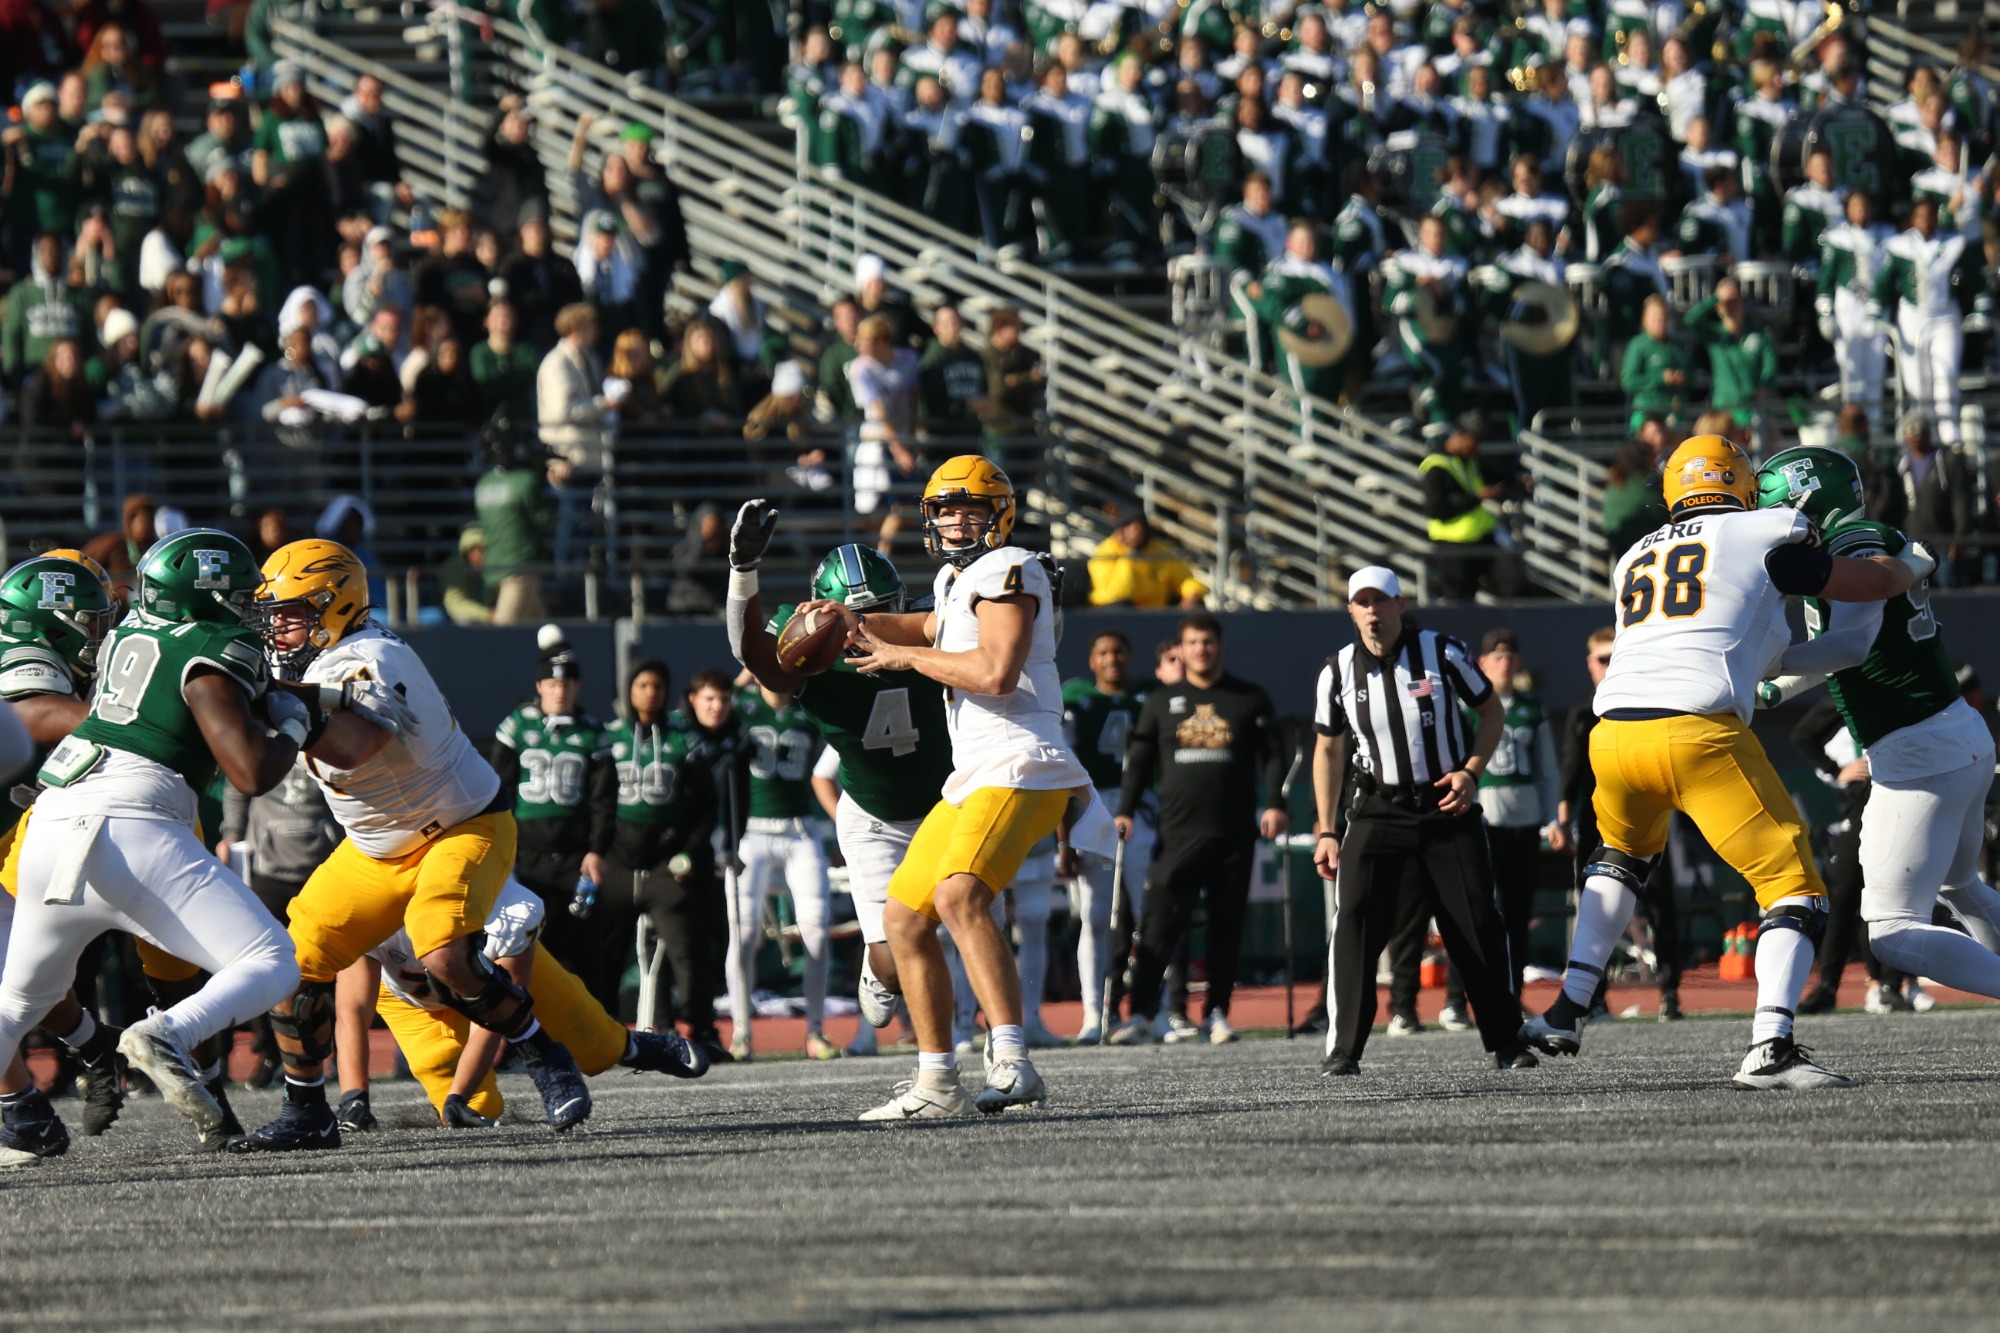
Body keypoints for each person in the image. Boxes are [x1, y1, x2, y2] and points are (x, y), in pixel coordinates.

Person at [1520, 435, 1934, 1088]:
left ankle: (1569, 1006)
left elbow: (1720, 630)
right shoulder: (1768, 529)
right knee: (1795, 887)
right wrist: (1906, 566)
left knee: (1620, 859)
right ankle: (1771, 1045)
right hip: (1698, 730)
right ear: (1739, 483)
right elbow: (1864, 581)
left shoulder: (1633, 554)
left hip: (1616, 734)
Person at [230, 540, 597, 1151]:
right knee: (294, 963)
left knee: (444, 952)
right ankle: (307, 1111)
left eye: (294, 609)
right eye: (276, 612)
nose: (280, 624)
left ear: (335, 603)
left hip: (458, 826)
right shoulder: (321, 663)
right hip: (375, 846)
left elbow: (355, 746)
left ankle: (545, 1056)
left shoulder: (371, 656)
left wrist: (285, 710)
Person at [2, 531, 304, 1157]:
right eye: (240, 596)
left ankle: (109, 1062)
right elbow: (249, 771)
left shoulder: (122, 637)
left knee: (13, 1009)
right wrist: (295, 722)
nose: (251, 610)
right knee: (272, 960)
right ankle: (166, 1034)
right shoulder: (215, 644)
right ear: (209, 597)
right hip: (133, 822)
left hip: (51, 823)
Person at [833, 456, 1108, 1117]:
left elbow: (995, 672)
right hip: (974, 776)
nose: (957, 520)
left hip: (1024, 761)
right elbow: (919, 626)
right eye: (945, 509)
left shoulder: (1011, 567)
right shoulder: (957, 579)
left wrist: (902, 657)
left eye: (971, 507)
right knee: (902, 917)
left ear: (1000, 513)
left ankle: (1012, 1058)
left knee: (959, 896)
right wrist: (837, 622)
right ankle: (935, 1082)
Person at [1755, 447, 2000, 1017]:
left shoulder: (1850, 540)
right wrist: (1778, 687)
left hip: (1919, 747)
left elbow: (1851, 645)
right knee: (1962, 888)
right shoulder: (1844, 542)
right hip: (1950, 736)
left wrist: (1765, 662)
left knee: (1890, 929)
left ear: (1805, 494)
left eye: (1771, 494)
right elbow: (1843, 653)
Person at [726, 529, 955, 1060]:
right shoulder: (809, 652)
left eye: (881, 612)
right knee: (893, 956)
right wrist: (743, 571)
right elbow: (755, 656)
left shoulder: (929, 624)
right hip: (872, 814)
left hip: (945, 804)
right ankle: (880, 978)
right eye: (857, 615)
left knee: (969, 920)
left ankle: (985, 1050)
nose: (864, 627)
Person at [1311, 566, 1537, 1076]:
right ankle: (1343, 1048)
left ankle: (1506, 1040)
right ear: (1351, 611)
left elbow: (1491, 711)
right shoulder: (1337, 670)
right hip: (1377, 807)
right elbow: (1327, 748)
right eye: (1362, 603)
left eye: (1381, 602)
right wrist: (1326, 830)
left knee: (1477, 921)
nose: (1373, 612)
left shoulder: (1443, 651)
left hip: (1444, 805)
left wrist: (1472, 773)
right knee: (1354, 925)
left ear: (1400, 605)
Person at [0, 554, 128, 1160]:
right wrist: (129, 726)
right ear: (49, 623)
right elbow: (34, 712)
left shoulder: (38, 655)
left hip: (10, 840)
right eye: (90, 621)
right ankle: (81, 1057)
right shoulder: (25, 655)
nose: (100, 633)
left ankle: (27, 1118)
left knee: (18, 982)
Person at [1107, 612, 1286, 1046]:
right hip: (1177, 835)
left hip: (1233, 834)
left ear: (1219, 647)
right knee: (1158, 925)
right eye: (1192, 643)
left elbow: (1275, 756)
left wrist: (1276, 803)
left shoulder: (1248, 698)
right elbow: (1139, 763)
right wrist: (1126, 810)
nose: (1201, 649)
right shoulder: (1159, 702)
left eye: (1207, 642)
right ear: (1181, 650)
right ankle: (1144, 1016)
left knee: (1227, 926)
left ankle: (1217, 1013)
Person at [1557, 626, 1682, 1021]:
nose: (1609, 667)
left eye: (1616, 656)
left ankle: (1671, 994)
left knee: (1661, 907)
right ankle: (1591, 998)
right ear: (1589, 664)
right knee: (1594, 908)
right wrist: (1562, 822)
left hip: (1648, 818)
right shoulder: (1581, 715)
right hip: (1597, 824)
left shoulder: (1650, 705)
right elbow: (1570, 777)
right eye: (1602, 659)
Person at [488, 631, 615, 1007]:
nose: (559, 691)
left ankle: (582, 1031)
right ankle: (519, 1032)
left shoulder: (593, 733)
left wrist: (596, 850)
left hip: (573, 856)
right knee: (520, 945)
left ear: (577, 686)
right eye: (552, 683)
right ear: (539, 685)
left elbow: (604, 801)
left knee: (578, 947)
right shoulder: (519, 727)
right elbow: (497, 787)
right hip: (526, 855)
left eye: (566, 683)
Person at [593, 659, 719, 1034]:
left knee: (685, 950)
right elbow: (596, 802)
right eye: (642, 685)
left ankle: (701, 1030)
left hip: (666, 864)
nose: (650, 693)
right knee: (603, 952)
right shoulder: (608, 738)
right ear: (629, 692)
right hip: (618, 863)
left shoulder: (684, 739)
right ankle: (600, 1030)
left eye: (658, 687)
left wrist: (688, 852)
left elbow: (706, 804)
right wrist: (598, 851)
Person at [1450, 626, 1563, 1022]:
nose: (1505, 664)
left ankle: (1511, 995)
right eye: (1497, 657)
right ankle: (1455, 999)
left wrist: (1552, 818)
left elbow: (1548, 769)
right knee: (1474, 911)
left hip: (1525, 821)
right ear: (1481, 663)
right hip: (1484, 822)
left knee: (1517, 914)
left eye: (1511, 657)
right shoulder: (1468, 707)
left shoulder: (1531, 709)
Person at [724, 671, 836, 1063]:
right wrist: (743, 677)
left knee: (817, 933)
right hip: (751, 832)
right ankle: (741, 1031)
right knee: (744, 934)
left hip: (799, 830)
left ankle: (816, 1031)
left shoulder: (809, 710)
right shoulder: (743, 708)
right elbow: (707, 706)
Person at [1061, 631, 1152, 1045]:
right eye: (1103, 652)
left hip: (1140, 808)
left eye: (1119, 651)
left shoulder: (1148, 697)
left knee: (1149, 915)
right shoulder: (1076, 699)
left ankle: (1152, 1010)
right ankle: (1092, 1013)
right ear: (1091, 661)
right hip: (1093, 804)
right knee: (1096, 916)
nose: (1112, 659)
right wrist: (1065, 838)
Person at [1874, 197, 1988, 450]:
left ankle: (1950, 435)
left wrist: (1980, 301)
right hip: (1912, 316)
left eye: (1930, 216)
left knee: (1945, 374)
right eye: (1920, 216)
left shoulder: (1953, 243)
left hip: (1944, 316)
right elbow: (1883, 282)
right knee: (1916, 383)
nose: (1925, 222)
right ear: (1913, 220)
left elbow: (1973, 274)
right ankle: (1921, 438)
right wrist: (1875, 310)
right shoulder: (1899, 246)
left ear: (1937, 218)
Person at [1817, 190, 1895, 434]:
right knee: (1851, 370)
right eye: (1855, 206)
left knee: (1875, 368)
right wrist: (1825, 311)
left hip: (1876, 305)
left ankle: (1875, 428)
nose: (1860, 211)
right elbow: (1826, 277)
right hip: (1848, 305)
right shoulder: (1838, 238)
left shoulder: (1886, 235)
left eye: (1864, 205)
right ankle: (1852, 429)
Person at [1420, 414, 1512, 601]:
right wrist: (1476, 498)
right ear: (1459, 435)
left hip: (1483, 540)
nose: (1477, 447)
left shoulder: (1469, 460)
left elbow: (1493, 475)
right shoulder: (1436, 467)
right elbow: (1437, 510)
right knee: (1459, 601)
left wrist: (1515, 480)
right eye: (1474, 441)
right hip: (1454, 548)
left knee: (1512, 584)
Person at [1086, 508, 1207, 609]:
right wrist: (1130, 554)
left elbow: (1185, 578)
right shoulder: (1105, 551)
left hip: (1153, 610)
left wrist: (1193, 594)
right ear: (1121, 530)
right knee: (1123, 606)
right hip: (1111, 609)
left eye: (1140, 526)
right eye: (1131, 526)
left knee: (1197, 605)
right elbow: (1121, 593)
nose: (1136, 531)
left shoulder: (1160, 550)